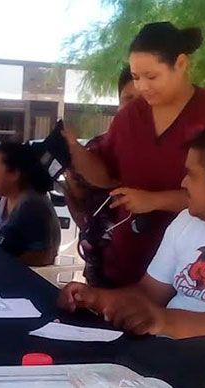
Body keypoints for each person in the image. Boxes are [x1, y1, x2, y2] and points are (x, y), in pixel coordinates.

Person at [58, 125, 205, 355]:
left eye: (192, 174)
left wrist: (163, 321)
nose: (183, 183)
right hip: (169, 354)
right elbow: (149, 293)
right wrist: (95, 297)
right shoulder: (188, 219)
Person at [62, 22, 205, 287]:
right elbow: (105, 176)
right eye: (136, 77)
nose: (142, 87)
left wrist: (155, 201)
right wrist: (73, 150)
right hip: (127, 261)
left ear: (181, 64)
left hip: (192, 268)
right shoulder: (130, 116)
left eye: (152, 76)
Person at [63, 66, 140, 285]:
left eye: (143, 99)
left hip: (145, 276)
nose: (135, 106)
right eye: (128, 98)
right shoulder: (99, 146)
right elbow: (82, 207)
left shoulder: (168, 151)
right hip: (98, 268)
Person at [0, 142, 61, 266]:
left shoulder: (32, 205)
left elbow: (44, 256)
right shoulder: (8, 198)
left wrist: (0, 265)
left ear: (14, 174)